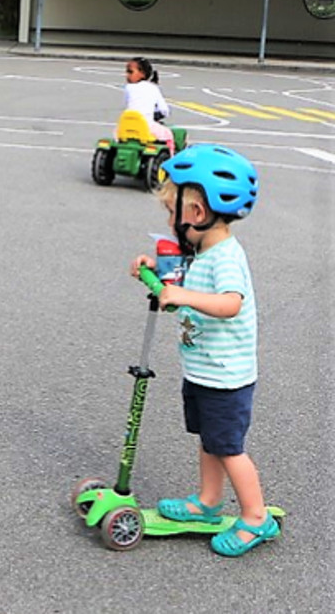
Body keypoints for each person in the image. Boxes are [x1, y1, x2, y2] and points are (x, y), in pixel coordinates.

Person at [127, 144, 277, 557]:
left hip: (226, 376)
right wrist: (154, 272)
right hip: (204, 370)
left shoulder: (226, 257)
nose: (168, 221)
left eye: (169, 213)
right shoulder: (203, 250)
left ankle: (254, 517)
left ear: (194, 214)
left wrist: (185, 297)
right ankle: (209, 502)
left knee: (228, 447)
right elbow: (179, 280)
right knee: (210, 441)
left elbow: (231, 303)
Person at [123, 57, 173, 147]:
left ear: (142, 74)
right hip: (145, 127)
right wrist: (157, 115)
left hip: (126, 126)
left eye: (130, 72)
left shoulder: (128, 88)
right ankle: (171, 157)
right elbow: (164, 110)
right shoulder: (153, 88)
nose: (127, 75)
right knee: (169, 135)